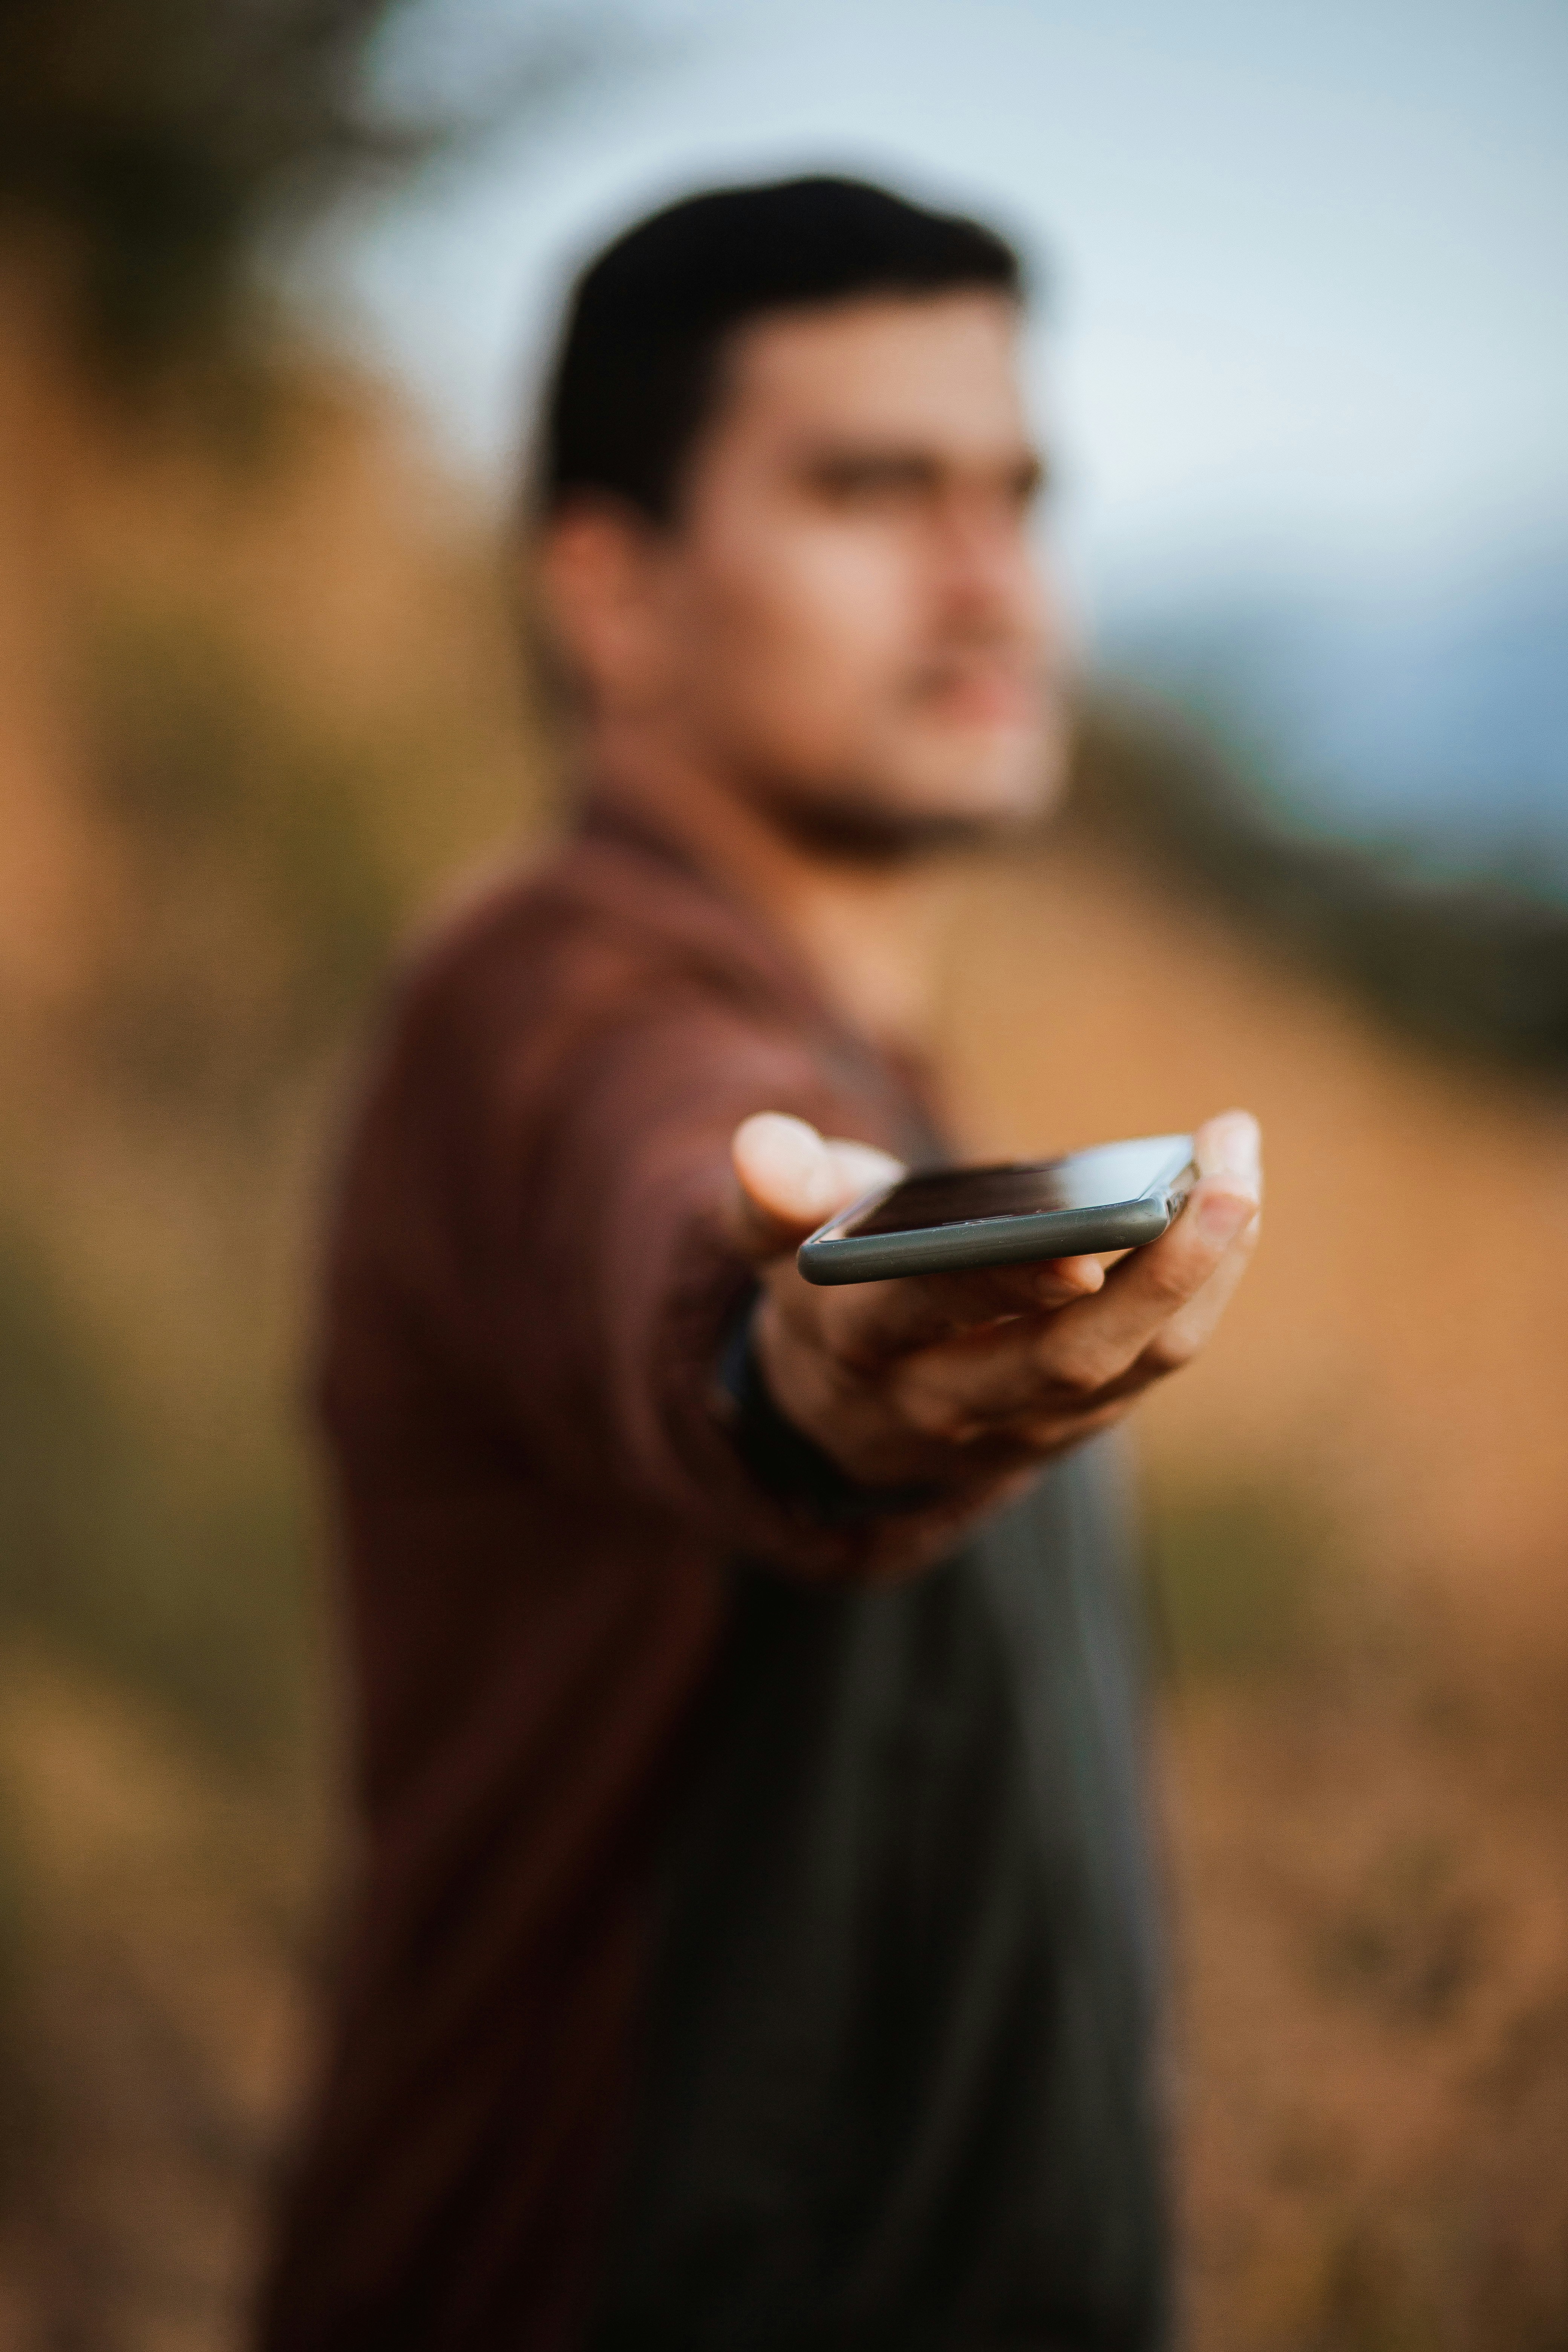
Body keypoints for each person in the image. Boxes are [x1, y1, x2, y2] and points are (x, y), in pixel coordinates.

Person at [259, 176, 1262, 2350]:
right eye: (870, 489)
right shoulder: (546, 996)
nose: (991, 580)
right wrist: (803, 1390)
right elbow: (666, 1223)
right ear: (611, 593)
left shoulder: (859, 1054)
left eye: (1016, 492)